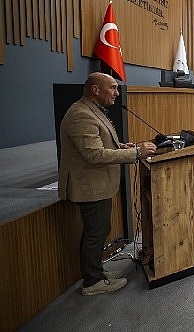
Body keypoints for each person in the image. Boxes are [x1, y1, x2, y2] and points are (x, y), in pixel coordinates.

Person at [59, 72, 157, 296]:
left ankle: (96, 272)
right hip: (88, 186)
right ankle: (92, 281)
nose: (116, 93)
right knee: (95, 233)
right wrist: (135, 153)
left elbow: (99, 143)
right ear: (95, 89)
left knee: (100, 230)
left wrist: (121, 146)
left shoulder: (91, 110)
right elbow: (93, 155)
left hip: (97, 183)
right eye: (112, 88)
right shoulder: (81, 114)